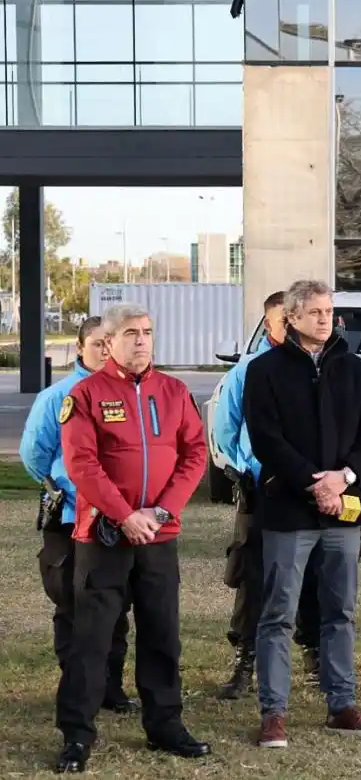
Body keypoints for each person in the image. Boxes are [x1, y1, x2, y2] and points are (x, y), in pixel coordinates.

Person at [54, 303, 211, 772]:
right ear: (109, 342)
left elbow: (194, 453)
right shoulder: (86, 394)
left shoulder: (173, 391)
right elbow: (81, 464)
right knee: (92, 639)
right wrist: (124, 515)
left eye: (146, 332)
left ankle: (165, 725)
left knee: (162, 633)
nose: (141, 340)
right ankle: (77, 735)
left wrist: (161, 511)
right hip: (103, 537)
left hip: (159, 536)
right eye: (130, 333)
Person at [243, 279, 361, 747]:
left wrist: (341, 478)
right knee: (278, 613)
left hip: (342, 510)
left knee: (339, 610)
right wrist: (312, 481)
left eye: (329, 312)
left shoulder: (353, 368)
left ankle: (341, 704)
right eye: (317, 312)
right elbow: (266, 440)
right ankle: (274, 713)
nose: (326, 319)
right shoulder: (264, 371)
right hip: (288, 509)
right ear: (292, 318)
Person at [21, 317, 137, 717]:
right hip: (72, 517)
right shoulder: (58, 395)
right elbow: (34, 455)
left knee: (115, 603)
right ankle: (76, 684)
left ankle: (112, 685)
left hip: (118, 518)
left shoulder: (127, 392)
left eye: (111, 343)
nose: (105, 351)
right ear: (80, 347)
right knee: (71, 600)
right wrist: (66, 490)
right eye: (97, 345)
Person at [212, 291, 323, 700]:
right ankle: (245, 658)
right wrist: (247, 472)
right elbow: (227, 429)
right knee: (254, 574)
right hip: (262, 488)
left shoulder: (318, 364)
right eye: (282, 321)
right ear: (271, 323)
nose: (290, 328)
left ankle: (314, 652)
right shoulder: (249, 370)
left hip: (309, 488)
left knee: (313, 573)